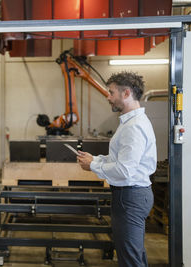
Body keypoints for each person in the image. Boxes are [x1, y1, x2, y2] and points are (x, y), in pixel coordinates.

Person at [77, 71, 156, 267]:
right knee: (132, 254)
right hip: (130, 196)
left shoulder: (133, 127)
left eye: (111, 92)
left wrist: (93, 166)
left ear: (126, 93)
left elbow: (124, 171)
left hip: (130, 197)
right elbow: (119, 159)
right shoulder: (129, 122)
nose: (108, 97)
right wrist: (95, 159)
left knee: (130, 259)